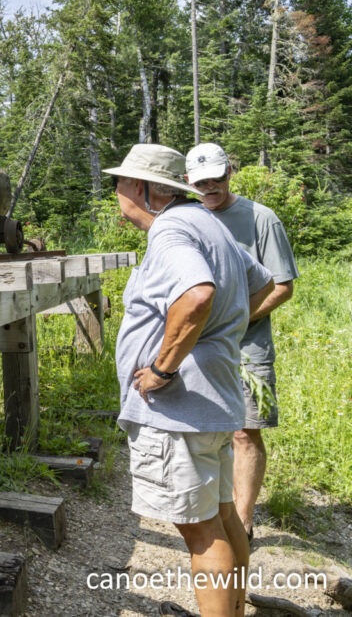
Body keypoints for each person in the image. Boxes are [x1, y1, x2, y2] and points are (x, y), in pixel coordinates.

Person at [104, 144, 275, 617]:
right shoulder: (206, 223)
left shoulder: (172, 230)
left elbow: (197, 295)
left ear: (141, 189)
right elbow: (259, 282)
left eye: (119, 183)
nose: (116, 192)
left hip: (180, 408)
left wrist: (162, 368)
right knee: (222, 516)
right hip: (212, 398)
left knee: (200, 531)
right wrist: (225, 330)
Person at [185, 143, 299, 543]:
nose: (211, 186)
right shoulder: (186, 218)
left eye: (218, 176)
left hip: (248, 348)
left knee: (245, 432)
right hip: (194, 344)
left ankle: (244, 525)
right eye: (201, 182)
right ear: (187, 183)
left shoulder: (260, 218)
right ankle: (210, 514)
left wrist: (233, 321)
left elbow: (282, 286)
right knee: (201, 429)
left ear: (231, 171)